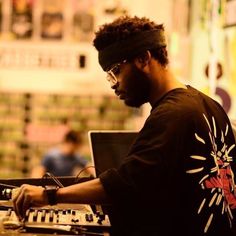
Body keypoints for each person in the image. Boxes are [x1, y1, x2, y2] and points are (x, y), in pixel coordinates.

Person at [12, 15, 236, 236]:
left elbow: (125, 186)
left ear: (143, 59)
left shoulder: (173, 115)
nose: (114, 84)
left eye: (116, 70)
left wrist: (49, 196)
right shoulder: (211, 106)